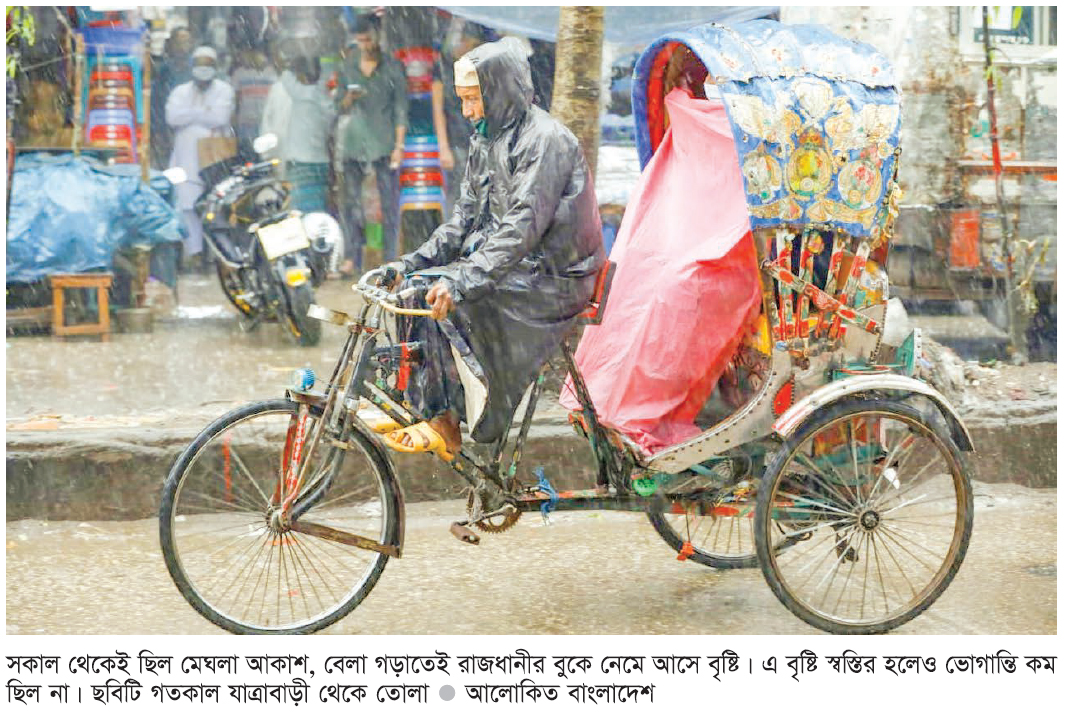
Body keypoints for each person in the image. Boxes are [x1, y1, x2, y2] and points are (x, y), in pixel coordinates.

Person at [377, 37, 605, 461]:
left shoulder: (546, 140)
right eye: (461, 101)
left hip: (553, 276)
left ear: (498, 90)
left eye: (472, 100)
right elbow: (463, 220)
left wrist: (461, 279)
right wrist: (408, 263)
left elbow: (521, 227)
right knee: (412, 290)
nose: (466, 112)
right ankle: (428, 409)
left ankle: (447, 420)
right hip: (515, 265)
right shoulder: (486, 139)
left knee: (443, 296)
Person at [335, 13, 408, 275]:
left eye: (368, 39)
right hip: (353, 144)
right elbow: (337, 107)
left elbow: (401, 109)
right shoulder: (348, 66)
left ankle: (390, 260)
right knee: (350, 205)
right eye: (360, 41)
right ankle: (351, 259)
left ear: (379, 36)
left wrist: (399, 147)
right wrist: (348, 98)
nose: (365, 45)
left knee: (389, 204)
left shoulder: (393, 67)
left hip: (384, 144)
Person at [165, 46, 235, 266]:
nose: (203, 70)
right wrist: (204, 112)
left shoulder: (225, 90)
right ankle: (194, 253)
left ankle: (218, 255)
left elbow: (221, 117)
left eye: (208, 65)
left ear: (215, 67)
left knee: (216, 205)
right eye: (199, 65)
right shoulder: (180, 91)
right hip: (185, 158)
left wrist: (192, 115)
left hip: (215, 158)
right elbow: (172, 117)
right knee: (187, 206)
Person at [430, 20, 490, 213]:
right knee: (458, 194)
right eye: (472, 45)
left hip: (480, 139)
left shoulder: (480, 68)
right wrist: (443, 147)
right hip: (456, 142)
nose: (475, 51)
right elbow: (437, 110)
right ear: (461, 41)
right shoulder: (443, 66)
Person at [277, 56, 335, 213]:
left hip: (300, 162)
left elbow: (285, 75)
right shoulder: (325, 97)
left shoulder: (300, 93)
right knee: (317, 204)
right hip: (320, 162)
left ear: (301, 76)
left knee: (300, 207)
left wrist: (293, 56)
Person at [150, 27, 193, 169]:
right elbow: (157, 102)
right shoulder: (164, 72)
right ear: (171, 45)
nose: (182, 47)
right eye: (178, 42)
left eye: (186, 42)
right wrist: (158, 131)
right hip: (169, 131)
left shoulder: (195, 70)